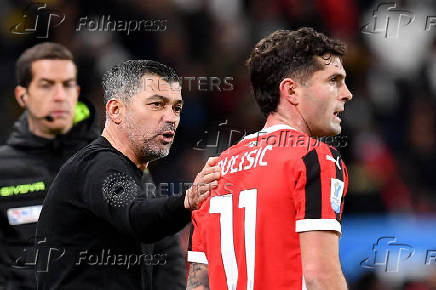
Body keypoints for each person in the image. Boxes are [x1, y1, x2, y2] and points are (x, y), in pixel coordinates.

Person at [187, 27, 352, 290]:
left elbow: (197, 285)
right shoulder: (314, 157)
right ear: (292, 91)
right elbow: (320, 276)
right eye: (334, 80)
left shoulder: (213, 172)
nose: (346, 93)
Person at [35, 60, 221, 290]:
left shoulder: (142, 178)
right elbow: (136, 216)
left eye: (176, 108)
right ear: (116, 110)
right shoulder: (98, 165)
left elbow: (166, 254)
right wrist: (187, 200)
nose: (171, 118)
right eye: (157, 104)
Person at [0, 42, 100, 290]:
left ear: (77, 93)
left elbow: (157, 247)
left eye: (67, 85)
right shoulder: (4, 170)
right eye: (46, 85)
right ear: (22, 96)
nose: (59, 96)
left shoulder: (108, 163)